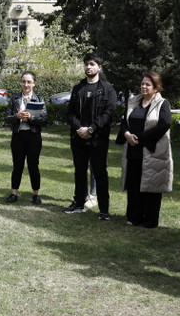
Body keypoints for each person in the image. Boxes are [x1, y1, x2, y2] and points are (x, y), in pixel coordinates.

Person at [116, 71, 173, 227]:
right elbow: (123, 122)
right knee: (133, 183)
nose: (144, 87)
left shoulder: (163, 104)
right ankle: (134, 217)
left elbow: (165, 124)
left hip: (152, 150)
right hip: (132, 150)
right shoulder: (132, 102)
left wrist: (140, 137)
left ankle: (150, 219)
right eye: (142, 84)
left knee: (151, 185)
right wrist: (127, 134)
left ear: (156, 88)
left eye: (148, 84)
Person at [64, 52, 117, 219]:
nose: (88, 67)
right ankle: (79, 203)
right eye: (86, 64)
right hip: (78, 137)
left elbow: (109, 114)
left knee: (100, 172)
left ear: (99, 68)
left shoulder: (108, 89)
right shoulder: (78, 88)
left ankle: (104, 210)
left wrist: (91, 129)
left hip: (98, 139)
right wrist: (80, 128)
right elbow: (70, 113)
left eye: (92, 64)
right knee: (80, 171)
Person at [3, 71, 48, 205]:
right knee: (17, 165)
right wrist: (16, 117)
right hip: (18, 136)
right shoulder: (15, 98)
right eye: (23, 81)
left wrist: (31, 117)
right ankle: (13, 193)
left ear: (34, 83)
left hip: (33, 136)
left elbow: (44, 120)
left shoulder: (39, 99)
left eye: (29, 82)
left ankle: (36, 194)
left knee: (33, 165)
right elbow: (7, 118)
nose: (26, 84)